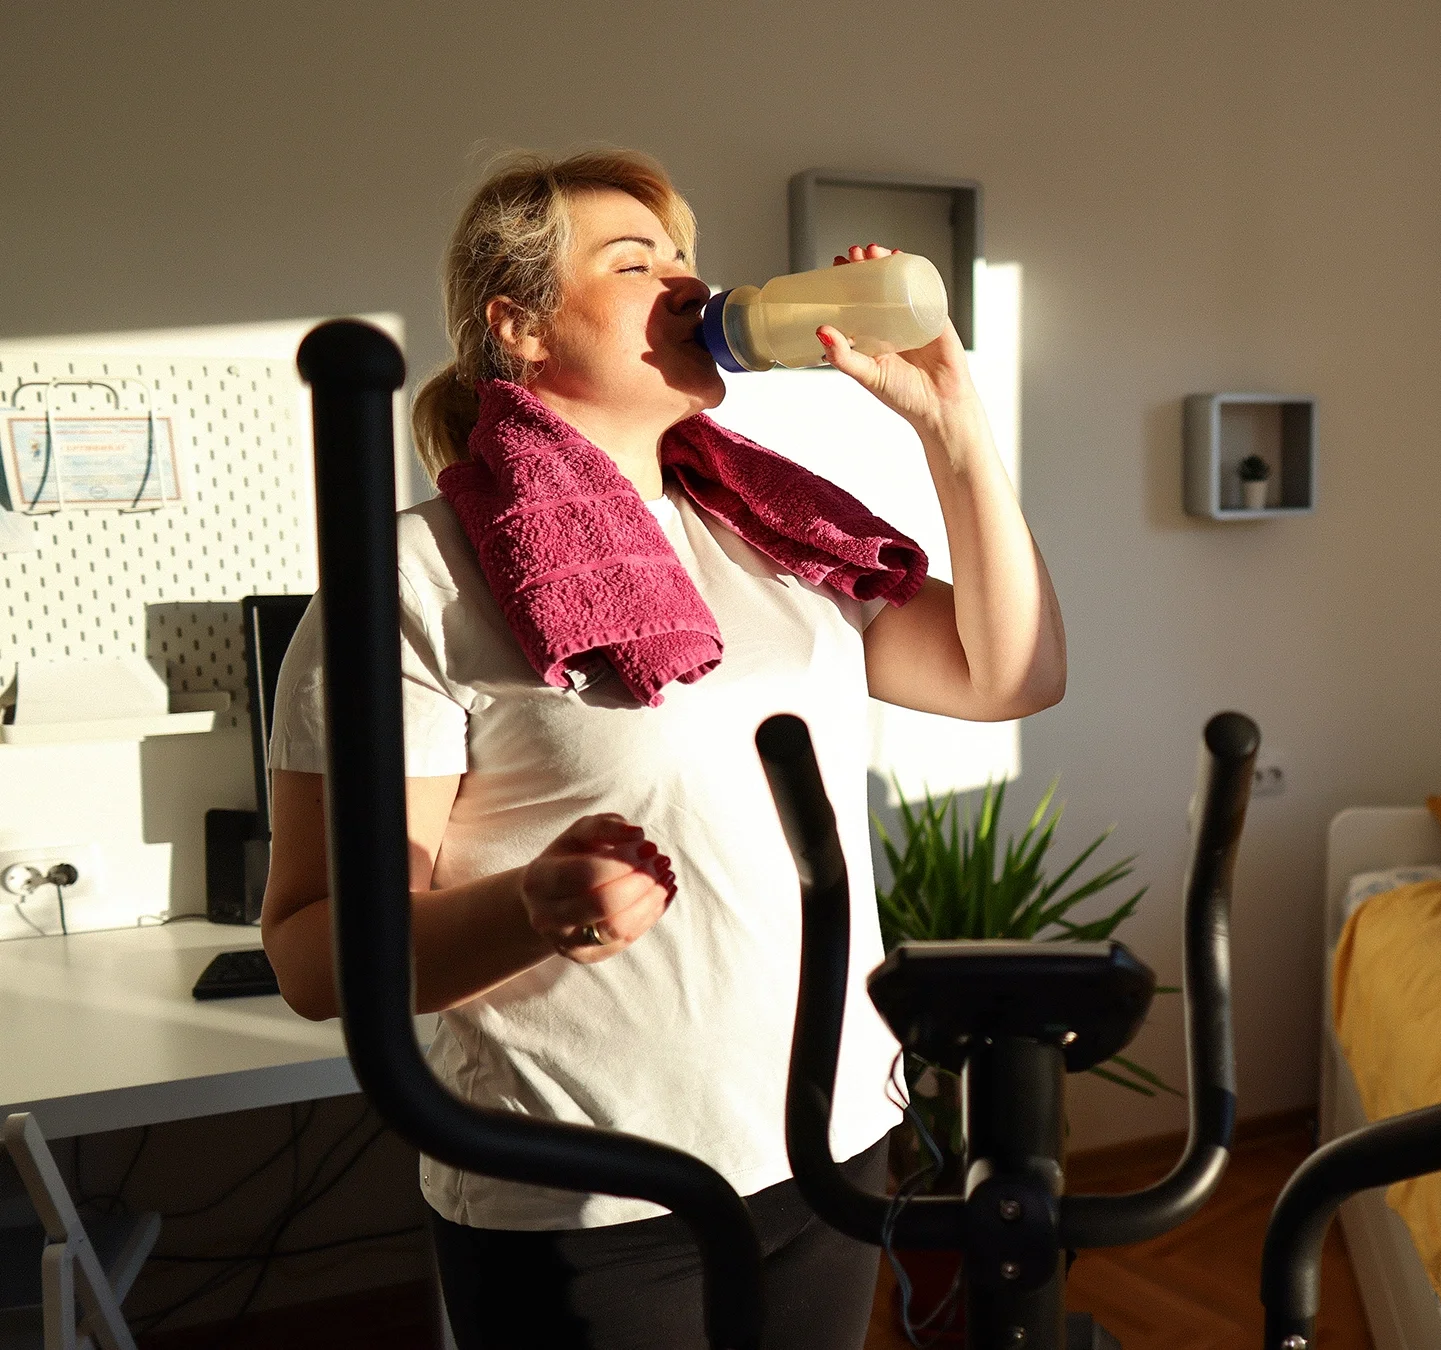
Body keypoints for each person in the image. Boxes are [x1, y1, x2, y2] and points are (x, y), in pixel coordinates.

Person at [259, 149, 1065, 1350]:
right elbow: (318, 951)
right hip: (583, 1193)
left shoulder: (779, 534)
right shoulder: (415, 580)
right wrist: (529, 908)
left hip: (824, 1143)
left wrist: (952, 421)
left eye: (685, 254)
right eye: (634, 262)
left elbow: (1011, 674)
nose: (687, 283)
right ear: (518, 326)